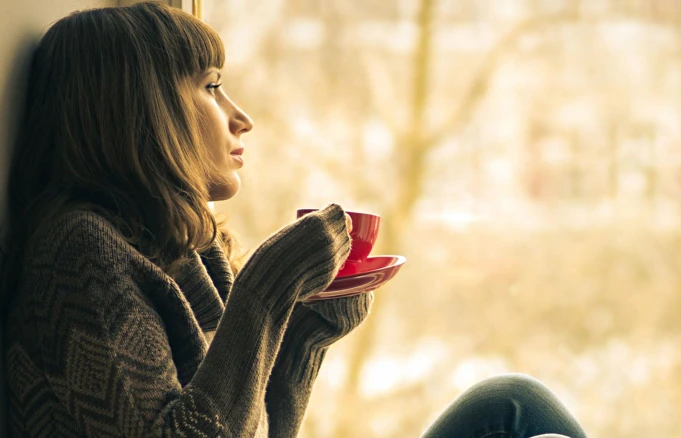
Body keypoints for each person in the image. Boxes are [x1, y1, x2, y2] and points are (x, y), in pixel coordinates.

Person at [0, 3, 589, 437]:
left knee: (512, 403)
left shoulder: (189, 248)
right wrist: (265, 294)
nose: (241, 117)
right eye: (212, 87)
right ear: (143, 113)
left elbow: (252, 428)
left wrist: (305, 334)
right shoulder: (80, 254)